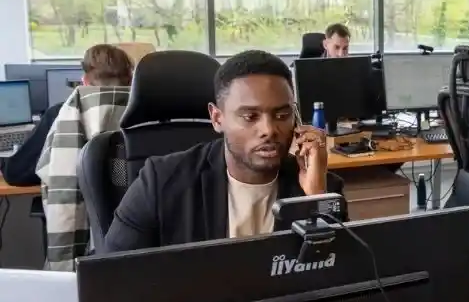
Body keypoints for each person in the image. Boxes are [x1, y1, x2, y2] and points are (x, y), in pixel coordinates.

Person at [103, 50, 346, 253]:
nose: (269, 130)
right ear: (217, 118)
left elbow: (345, 282)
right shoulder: (160, 181)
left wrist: (316, 198)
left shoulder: (319, 188)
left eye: (282, 115)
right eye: (250, 116)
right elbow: (108, 278)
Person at [2, 44, 133, 186]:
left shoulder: (60, 114)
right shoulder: (145, 113)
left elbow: (16, 173)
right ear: (131, 80)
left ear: (85, 81)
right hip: (135, 203)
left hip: (81, 205)